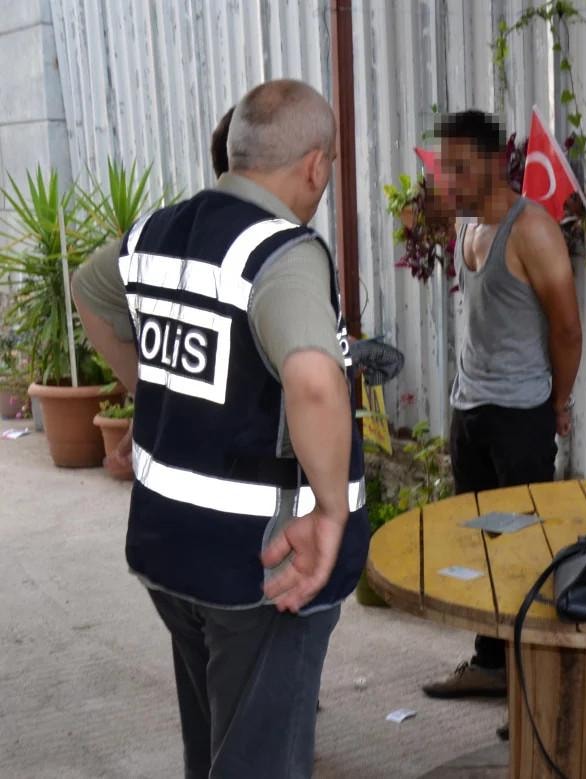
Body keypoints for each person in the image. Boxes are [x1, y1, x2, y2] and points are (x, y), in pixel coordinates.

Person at [72, 79, 367, 779]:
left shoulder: (159, 230)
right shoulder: (281, 253)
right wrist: (330, 512)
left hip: (171, 550)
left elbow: (89, 289)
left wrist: (153, 390)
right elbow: (315, 381)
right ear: (316, 166)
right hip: (264, 566)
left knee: (217, 746)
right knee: (259, 760)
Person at [419, 111, 583, 720]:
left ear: (495, 162)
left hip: (520, 417)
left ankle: (534, 694)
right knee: (483, 548)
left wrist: (558, 402)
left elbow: (567, 329)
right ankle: (491, 665)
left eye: (462, 167)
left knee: (525, 555)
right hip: (470, 410)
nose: (451, 179)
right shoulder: (468, 227)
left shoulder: (532, 230)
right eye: (446, 168)